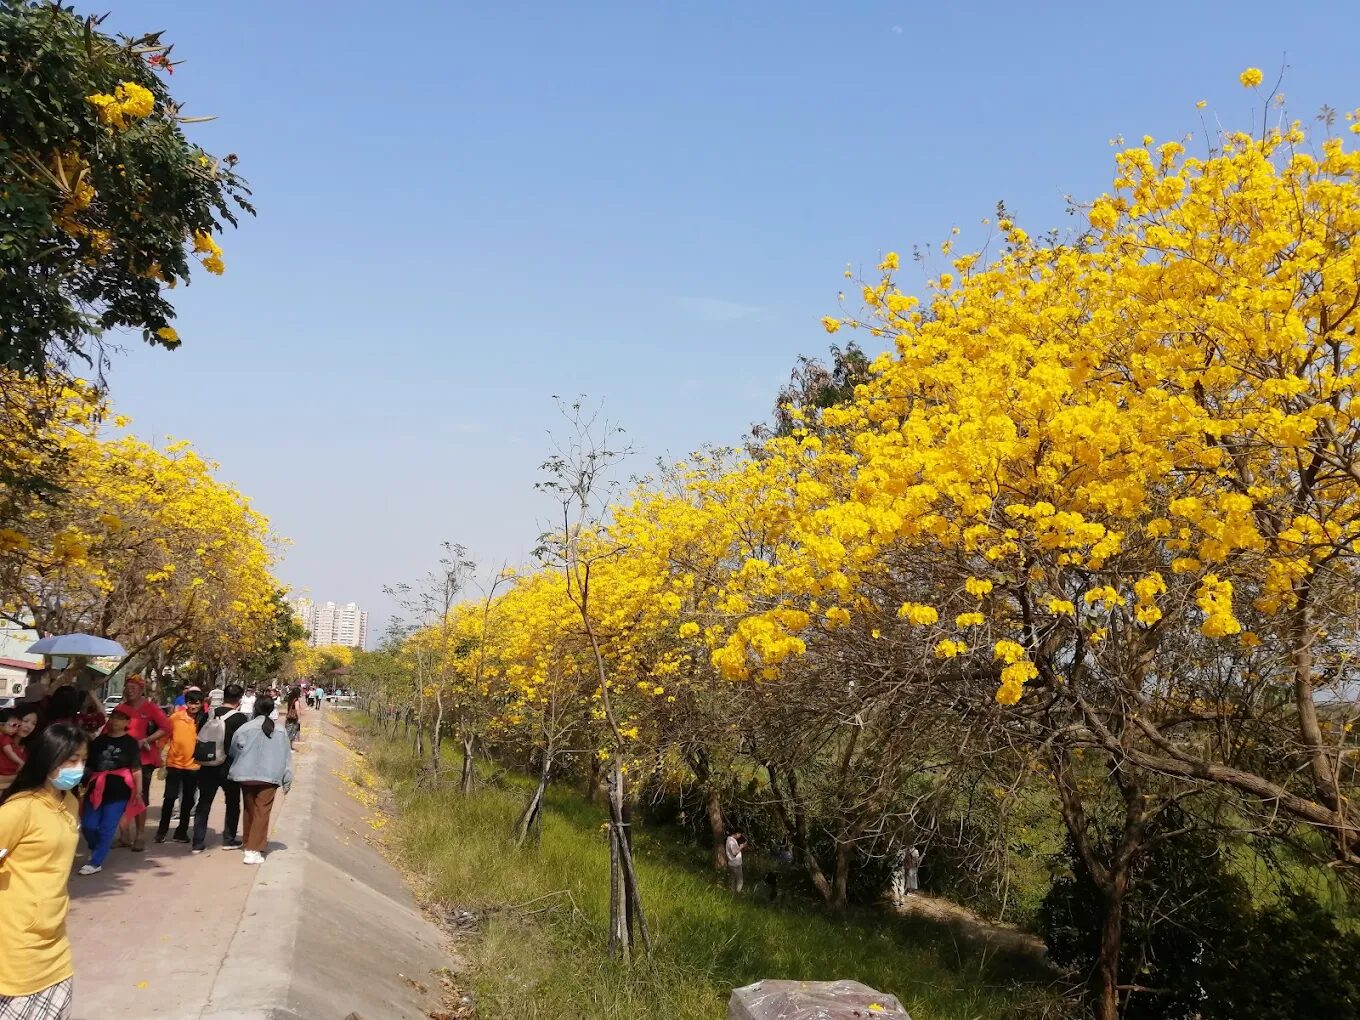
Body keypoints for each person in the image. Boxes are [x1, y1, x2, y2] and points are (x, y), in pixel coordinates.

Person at [0, 724, 90, 1018]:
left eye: (83, 760)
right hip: (17, 943)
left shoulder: (70, 802)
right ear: (48, 758)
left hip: (54, 937)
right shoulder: (19, 810)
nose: (79, 767)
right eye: (72, 759)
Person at [78, 706, 144, 876]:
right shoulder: (98, 741)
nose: (115, 721)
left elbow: (136, 769)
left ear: (127, 722)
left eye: (121, 718)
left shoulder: (131, 743)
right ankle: (97, 848)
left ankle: (95, 861)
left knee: (107, 827)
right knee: (88, 825)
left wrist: (138, 791)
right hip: (96, 787)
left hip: (119, 790)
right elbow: (88, 765)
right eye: (113, 717)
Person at [228, 696, 293, 865]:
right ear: (272, 710)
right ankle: (253, 850)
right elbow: (286, 757)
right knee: (262, 811)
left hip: (246, 774)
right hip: (269, 777)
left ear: (255, 708)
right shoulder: (280, 731)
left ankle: (248, 842)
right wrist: (287, 779)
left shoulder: (245, 728)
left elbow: (234, 750)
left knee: (249, 809)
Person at [191, 684, 250, 853]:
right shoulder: (240, 718)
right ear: (239, 699)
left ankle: (197, 842)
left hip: (207, 765)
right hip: (229, 766)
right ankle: (228, 839)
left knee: (204, 803)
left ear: (223, 696)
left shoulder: (209, 714)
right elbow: (242, 743)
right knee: (232, 803)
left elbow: (199, 734)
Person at [119, 676, 170, 852]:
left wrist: (146, 740)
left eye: (133, 688)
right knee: (121, 796)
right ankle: (123, 835)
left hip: (144, 760)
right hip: (121, 759)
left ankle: (140, 835)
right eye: (127, 688)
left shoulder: (151, 708)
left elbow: (166, 727)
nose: (130, 691)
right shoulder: (121, 708)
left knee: (140, 796)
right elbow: (109, 728)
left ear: (141, 690)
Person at [155, 690, 204, 844]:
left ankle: (181, 832)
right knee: (169, 798)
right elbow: (163, 738)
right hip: (174, 764)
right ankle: (161, 831)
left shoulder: (204, 720)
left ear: (202, 703)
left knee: (188, 801)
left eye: (197, 703)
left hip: (194, 767)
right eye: (190, 703)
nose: (193, 706)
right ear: (186, 703)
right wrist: (158, 755)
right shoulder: (175, 718)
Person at [0, 708, 24, 793]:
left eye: (18, 726)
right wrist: (20, 762)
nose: (16, 729)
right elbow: (10, 753)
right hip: (6, 772)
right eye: (13, 725)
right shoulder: (5, 738)